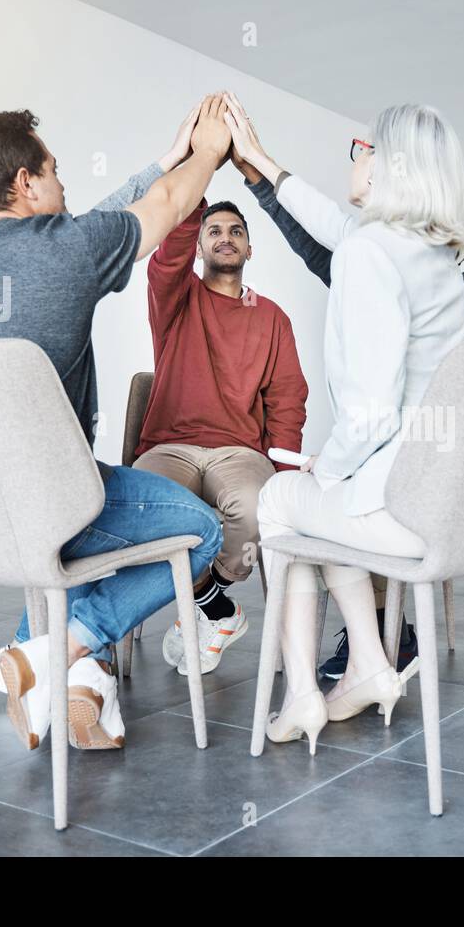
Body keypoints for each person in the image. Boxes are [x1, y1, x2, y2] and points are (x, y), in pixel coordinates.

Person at [0, 95, 239, 751]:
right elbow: (164, 208)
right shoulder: (68, 250)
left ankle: (78, 681)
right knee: (199, 528)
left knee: (76, 519)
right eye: (53, 170)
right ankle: (58, 649)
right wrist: (208, 154)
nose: (64, 181)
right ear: (26, 183)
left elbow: (100, 219)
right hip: (50, 509)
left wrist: (167, 156)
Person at [223, 94, 464, 751]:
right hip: (441, 501)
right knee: (324, 501)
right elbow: (338, 228)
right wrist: (262, 164)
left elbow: (369, 414)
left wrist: (325, 464)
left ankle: (303, 691)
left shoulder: (371, 256)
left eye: (363, 148)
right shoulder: (434, 257)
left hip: (396, 509)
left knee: (282, 500)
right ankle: (368, 664)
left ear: (389, 165)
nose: (355, 158)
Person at [130, 189, 308, 677]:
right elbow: (164, 261)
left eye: (236, 232)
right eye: (214, 231)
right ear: (199, 246)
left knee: (255, 507)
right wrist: (196, 184)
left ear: (250, 249)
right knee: (139, 509)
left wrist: (285, 473)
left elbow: (287, 398)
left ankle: (206, 606)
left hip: (239, 451)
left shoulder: (272, 318)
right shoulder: (176, 297)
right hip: (170, 446)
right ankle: (215, 611)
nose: (225, 238)